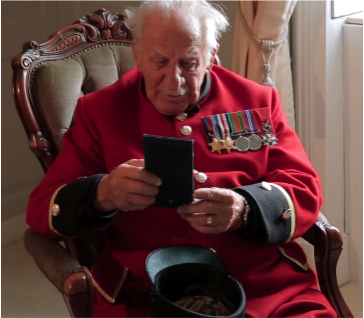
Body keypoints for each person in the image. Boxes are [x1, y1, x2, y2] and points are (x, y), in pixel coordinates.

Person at [27, 0, 337, 317]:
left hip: (263, 285)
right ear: (137, 54)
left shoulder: (256, 100)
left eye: (189, 63)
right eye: (159, 61)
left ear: (212, 57)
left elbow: (304, 190)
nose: (173, 82)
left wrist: (244, 208)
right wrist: (103, 193)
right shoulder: (100, 112)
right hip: (147, 291)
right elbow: (41, 211)